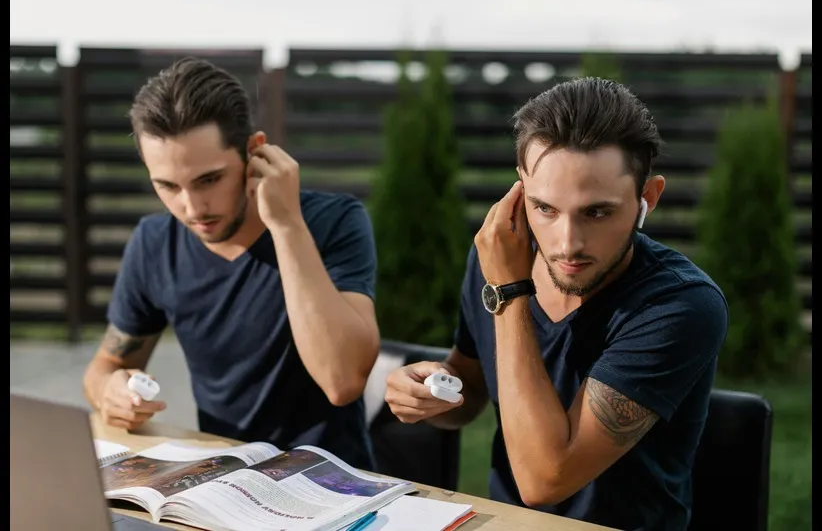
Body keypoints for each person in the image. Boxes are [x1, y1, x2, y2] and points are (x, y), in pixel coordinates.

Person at [384, 77, 729, 530]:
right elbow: (469, 391)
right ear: (519, 193)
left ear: (648, 198)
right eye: (544, 208)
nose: (567, 244)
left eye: (597, 212)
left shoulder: (681, 304)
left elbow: (545, 480)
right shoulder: (499, 256)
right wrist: (426, 392)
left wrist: (509, 292)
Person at [82, 57, 381, 471]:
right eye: (167, 185)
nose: (191, 208)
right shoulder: (154, 243)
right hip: (223, 479)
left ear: (254, 153)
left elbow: (343, 381)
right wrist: (108, 392)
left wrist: (287, 225)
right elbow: (106, 365)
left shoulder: (334, 223)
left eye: (209, 180)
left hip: (330, 481)